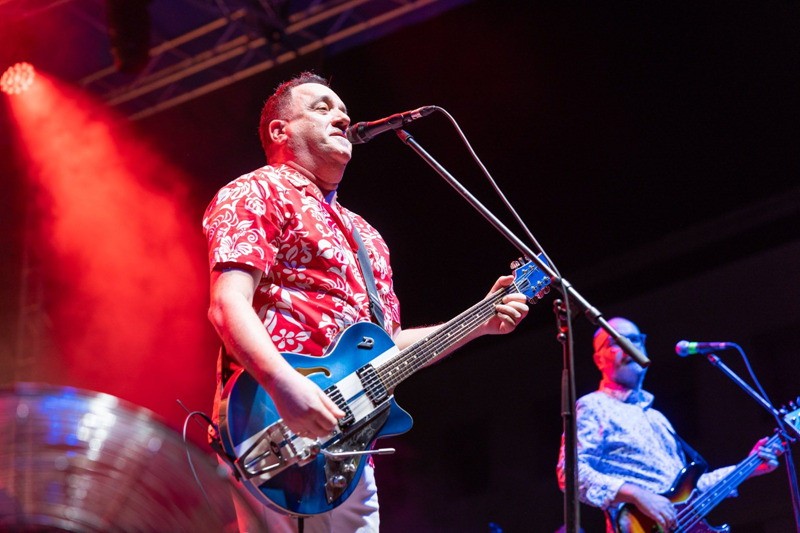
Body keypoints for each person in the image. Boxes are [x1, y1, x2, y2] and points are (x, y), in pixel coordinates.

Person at [202, 71, 530, 533]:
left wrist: (479, 322)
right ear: (280, 131)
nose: (341, 116)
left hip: (349, 452)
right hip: (277, 426)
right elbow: (227, 303)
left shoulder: (367, 236)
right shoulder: (255, 191)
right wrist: (283, 385)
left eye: (344, 110)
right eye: (321, 108)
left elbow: (388, 346)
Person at [556, 317, 780, 532]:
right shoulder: (593, 406)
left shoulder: (658, 419)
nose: (629, 346)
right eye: (616, 342)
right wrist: (637, 494)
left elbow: (689, 494)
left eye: (634, 339)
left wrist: (749, 467)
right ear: (599, 359)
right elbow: (570, 473)